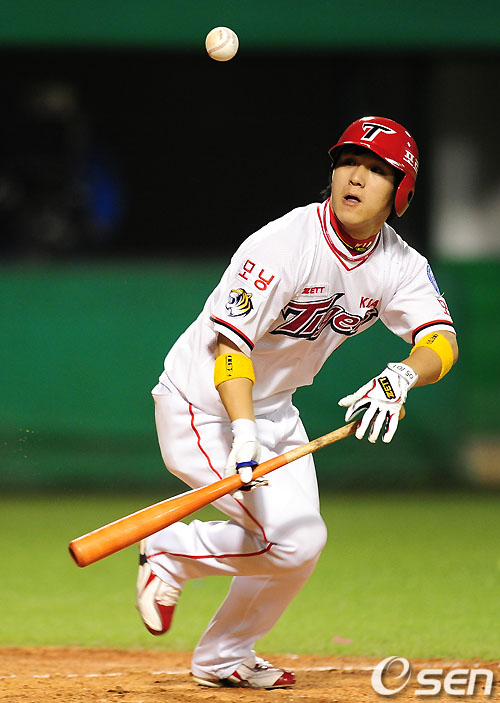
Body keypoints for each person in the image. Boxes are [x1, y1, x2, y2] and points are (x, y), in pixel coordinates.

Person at [136, 116, 458, 689]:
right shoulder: (283, 245)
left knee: (300, 545)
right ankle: (171, 550)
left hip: (276, 409)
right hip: (203, 407)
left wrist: (403, 376)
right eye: (348, 162)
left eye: (376, 169)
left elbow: (441, 340)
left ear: (401, 191)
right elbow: (230, 349)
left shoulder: (399, 265)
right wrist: (243, 432)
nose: (355, 177)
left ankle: (222, 656)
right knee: (291, 539)